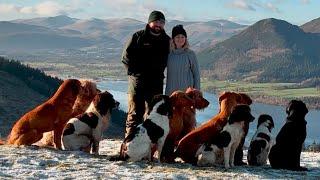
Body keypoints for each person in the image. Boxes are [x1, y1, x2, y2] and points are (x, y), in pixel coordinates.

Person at [121, 10, 170, 138]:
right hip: (137, 84)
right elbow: (126, 58)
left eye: (161, 22)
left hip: (156, 83)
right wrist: (134, 74)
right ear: (149, 22)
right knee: (134, 114)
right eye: (156, 21)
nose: (158, 24)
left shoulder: (167, 40)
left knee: (153, 115)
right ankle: (129, 144)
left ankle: (147, 146)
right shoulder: (138, 37)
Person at [165, 24, 200, 96]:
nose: (180, 39)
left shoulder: (190, 54)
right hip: (171, 94)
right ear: (173, 39)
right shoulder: (168, 54)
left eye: (182, 37)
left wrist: (196, 93)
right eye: (177, 37)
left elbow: (196, 74)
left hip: (187, 95)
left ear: (185, 38)